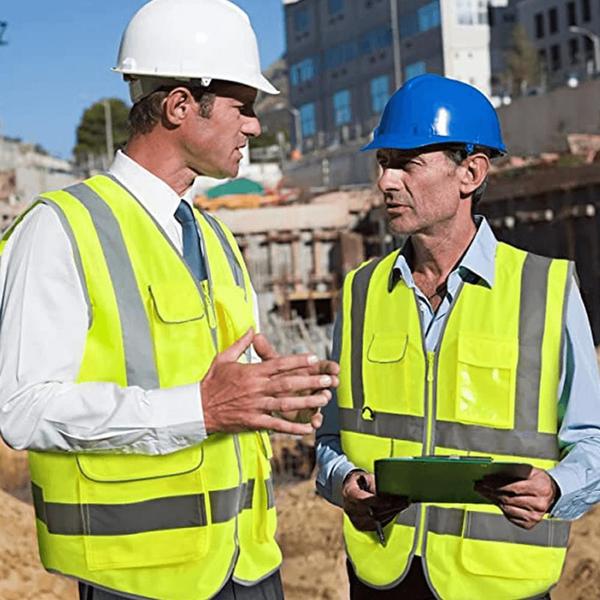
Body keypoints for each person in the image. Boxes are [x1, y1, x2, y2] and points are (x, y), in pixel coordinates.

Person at [0, 1, 339, 599]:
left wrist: (276, 396)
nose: (255, 126)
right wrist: (199, 409)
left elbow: (225, 384)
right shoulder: (61, 228)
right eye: (244, 107)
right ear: (181, 105)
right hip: (136, 579)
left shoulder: (214, 235)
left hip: (251, 565)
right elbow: (24, 409)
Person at [316, 73, 600, 600]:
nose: (386, 181)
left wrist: (558, 488)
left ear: (470, 173)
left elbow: (593, 437)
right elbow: (332, 438)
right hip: (384, 577)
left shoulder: (546, 289)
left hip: (499, 582)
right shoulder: (360, 293)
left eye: (407, 162)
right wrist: (342, 483)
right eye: (383, 163)